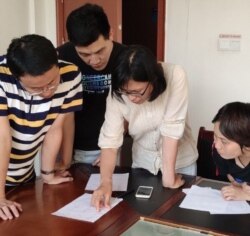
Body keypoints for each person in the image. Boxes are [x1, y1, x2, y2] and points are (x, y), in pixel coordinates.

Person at [91, 45, 198, 210]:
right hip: (143, 163)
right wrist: (105, 183)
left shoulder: (175, 75)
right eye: (126, 92)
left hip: (179, 163)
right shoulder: (117, 94)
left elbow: (171, 128)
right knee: (143, 213)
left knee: (178, 218)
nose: (131, 98)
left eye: (138, 91)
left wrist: (169, 178)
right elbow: (110, 141)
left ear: (153, 80)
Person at [0, 34, 83, 220]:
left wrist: (47, 174)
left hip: (24, 175)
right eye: (36, 89)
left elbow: (54, 127)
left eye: (52, 82)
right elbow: (2, 139)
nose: (47, 92)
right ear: (16, 77)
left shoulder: (71, 74)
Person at [57, 3, 126, 166]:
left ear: (110, 33)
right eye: (84, 54)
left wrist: (110, 148)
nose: (94, 60)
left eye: (100, 51)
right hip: (67, 148)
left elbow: (133, 107)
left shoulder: (126, 59)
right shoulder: (60, 59)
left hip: (111, 146)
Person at [212, 101, 250, 201]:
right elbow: (233, 180)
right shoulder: (220, 153)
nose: (217, 145)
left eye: (224, 141)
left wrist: (245, 195)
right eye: (215, 136)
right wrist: (239, 186)